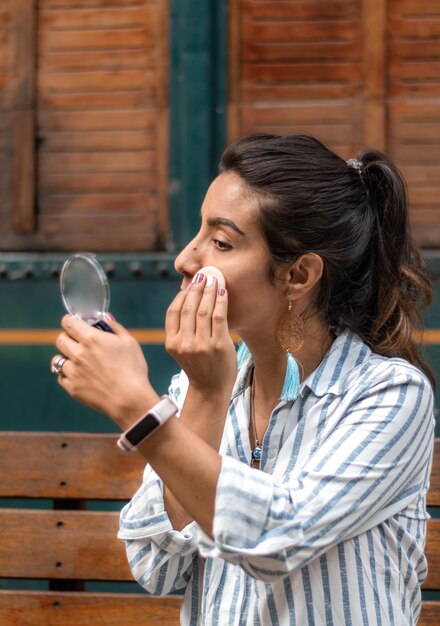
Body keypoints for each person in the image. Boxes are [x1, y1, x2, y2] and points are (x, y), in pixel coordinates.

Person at [52, 134, 435, 626]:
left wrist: (138, 410)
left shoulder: (388, 395)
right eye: (198, 232)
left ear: (298, 276)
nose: (186, 261)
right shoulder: (197, 388)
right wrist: (206, 399)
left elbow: (276, 539)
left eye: (221, 242)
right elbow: (156, 568)